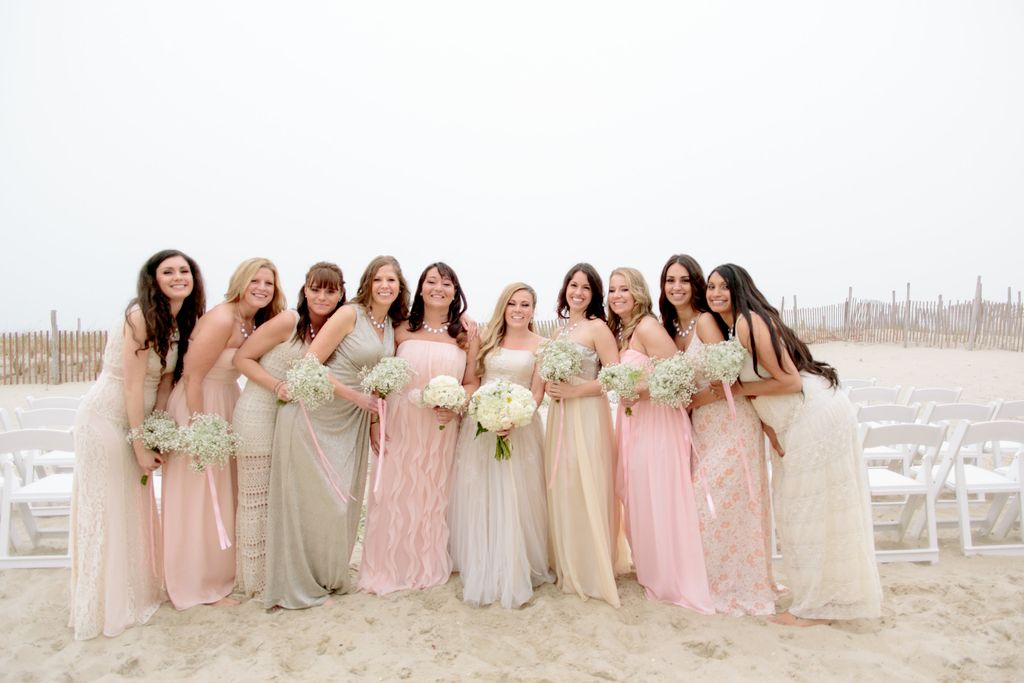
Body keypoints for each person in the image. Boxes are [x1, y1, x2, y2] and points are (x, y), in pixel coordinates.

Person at [706, 263, 882, 625]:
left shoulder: (747, 321)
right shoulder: (743, 322)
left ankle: (814, 609)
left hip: (812, 417)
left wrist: (738, 390)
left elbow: (788, 382)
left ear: (740, 288)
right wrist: (769, 426)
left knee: (807, 513)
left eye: (724, 286)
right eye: (710, 287)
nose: (716, 293)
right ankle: (826, 600)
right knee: (816, 510)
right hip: (802, 419)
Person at [69, 249, 204, 639]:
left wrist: (159, 427)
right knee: (107, 506)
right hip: (107, 419)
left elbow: (163, 381)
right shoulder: (138, 316)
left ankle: (131, 592)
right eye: (168, 271)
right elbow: (131, 384)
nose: (178, 276)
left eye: (184, 270)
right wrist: (139, 442)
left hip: (140, 420)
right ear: (153, 278)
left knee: (133, 503)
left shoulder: (182, 319)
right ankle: (100, 604)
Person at [264, 255, 406, 609]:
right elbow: (310, 363)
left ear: (400, 287)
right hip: (316, 413)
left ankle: (328, 576)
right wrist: (356, 397)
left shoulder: (388, 325)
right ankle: (298, 583)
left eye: (392, 280)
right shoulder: (350, 314)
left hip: (352, 420)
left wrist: (372, 419)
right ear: (368, 284)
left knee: (342, 504)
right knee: (315, 501)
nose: (385, 286)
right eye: (379, 280)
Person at [163, 257, 285, 609]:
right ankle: (197, 583)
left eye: (269, 283)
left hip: (229, 401)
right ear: (240, 282)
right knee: (200, 497)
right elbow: (193, 376)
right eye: (255, 281)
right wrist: (201, 429)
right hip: (199, 404)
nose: (262, 288)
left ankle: (222, 574)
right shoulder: (221, 318)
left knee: (225, 492)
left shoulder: (252, 321)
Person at [660, 254, 775, 616]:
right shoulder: (668, 329)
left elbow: (728, 380)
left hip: (729, 419)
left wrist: (692, 400)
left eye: (684, 280)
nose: (676, 287)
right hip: (700, 428)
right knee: (708, 504)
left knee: (712, 503)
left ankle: (731, 583)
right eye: (669, 280)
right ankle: (707, 578)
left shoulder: (706, 322)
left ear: (694, 285)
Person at [358, 262, 479, 595]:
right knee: (393, 493)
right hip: (399, 422)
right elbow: (381, 380)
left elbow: (472, 382)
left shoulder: (467, 334)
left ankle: (426, 563)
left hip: (439, 427)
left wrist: (455, 404)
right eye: (431, 281)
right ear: (421, 288)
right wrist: (375, 421)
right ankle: (390, 564)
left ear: (456, 292)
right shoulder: (399, 329)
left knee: (434, 493)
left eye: (446, 283)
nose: (438, 288)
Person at [232, 262, 344, 600]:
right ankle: (254, 581)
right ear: (305, 290)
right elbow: (242, 358)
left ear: (340, 295)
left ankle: (279, 572)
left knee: (282, 499)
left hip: (293, 421)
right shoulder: (289, 321)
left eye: (330, 290)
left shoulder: (333, 330)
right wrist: (276, 385)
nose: (322, 296)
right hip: (259, 412)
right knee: (255, 499)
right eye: (316, 288)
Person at [608, 267, 712, 613]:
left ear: (638, 293)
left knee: (659, 493)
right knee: (639, 493)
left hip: (657, 421)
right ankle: (651, 566)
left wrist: (638, 390)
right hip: (634, 422)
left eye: (624, 289)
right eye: (612, 290)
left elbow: (678, 379)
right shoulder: (622, 330)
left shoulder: (649, 327)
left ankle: (671, 573)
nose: (617, 295)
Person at [448, 283, 551, 609]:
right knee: (482, 490)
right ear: (503, 307)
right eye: (512, 304)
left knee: (517, 493)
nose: (518, 310)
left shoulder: (543, 346)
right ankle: (482, 556)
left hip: (520, 426)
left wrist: (516, 419)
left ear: (533, 310)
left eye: (525, 304)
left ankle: (513, 560)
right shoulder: (487, 338)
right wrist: (486, 412)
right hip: (482, 423)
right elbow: (474, 379)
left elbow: (537, 392)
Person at [543, 263, 626, 607]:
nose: (578, 292)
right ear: (565, 290)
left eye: (586, 288)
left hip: (588, 416)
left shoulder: (598, 328)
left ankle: (591, 567)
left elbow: (615, 376)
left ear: (593, 295)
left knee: (586, 482)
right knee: (564, 485)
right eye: (573, 285)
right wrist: (551, 387)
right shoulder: (560, 332)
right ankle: (568, 561)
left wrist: (576, 392)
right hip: (560, 416)